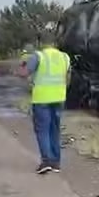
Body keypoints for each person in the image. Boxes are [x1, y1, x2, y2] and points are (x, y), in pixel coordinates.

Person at [19, 42, 71, 174]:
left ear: (43, 45)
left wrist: (22, 66)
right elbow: (68, 77)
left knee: (42, 130)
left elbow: (24, 73)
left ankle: (46, 161)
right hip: (59, 98)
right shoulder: (65, 57)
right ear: (54, 45)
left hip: (42, 99)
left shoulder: (38, 56)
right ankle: (56, 163)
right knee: (55, 130)